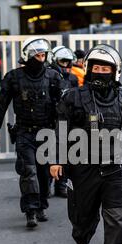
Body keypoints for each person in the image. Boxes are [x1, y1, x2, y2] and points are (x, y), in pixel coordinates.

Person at [50, 44, 122, 244]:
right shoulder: (72, 97)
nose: (101, 71)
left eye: (106, 68)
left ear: (115, 71)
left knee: (119, 220)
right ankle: (81, 239)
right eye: (96, 67)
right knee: (82, 218)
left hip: (116, 168)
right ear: (89, 69)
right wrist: (56, 158)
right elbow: (60, 128)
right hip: (82, 167)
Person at [0, 37, 63, 229]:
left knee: (43, 173)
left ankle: (41, 206)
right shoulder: (14, 77)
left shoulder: (53, 77)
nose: (41, 58)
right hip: (24, 132)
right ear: (27, 56)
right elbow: (2, 104)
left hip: (47, 132)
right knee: (28, 171)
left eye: (43, 55)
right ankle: (30, 210)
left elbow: (64, 106)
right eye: (37, 55)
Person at [49, 46, 79, 198]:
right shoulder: (49, 76)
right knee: (48, 152)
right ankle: (46, 184)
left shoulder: (72, 78)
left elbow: (77, 97)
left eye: (68, 62)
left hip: (66, 119)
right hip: (50, 118)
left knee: (65, 151)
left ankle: (61, 185)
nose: (66, 65)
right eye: (63, 62)